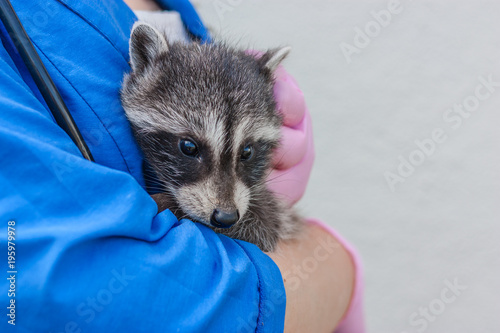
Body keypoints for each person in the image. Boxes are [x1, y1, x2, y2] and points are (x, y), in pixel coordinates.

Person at [0, 0, 364, 331]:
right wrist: (337, 266)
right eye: (190, 149)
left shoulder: (179, 13)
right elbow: (65, 290)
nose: (226, 206)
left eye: (246, 155)